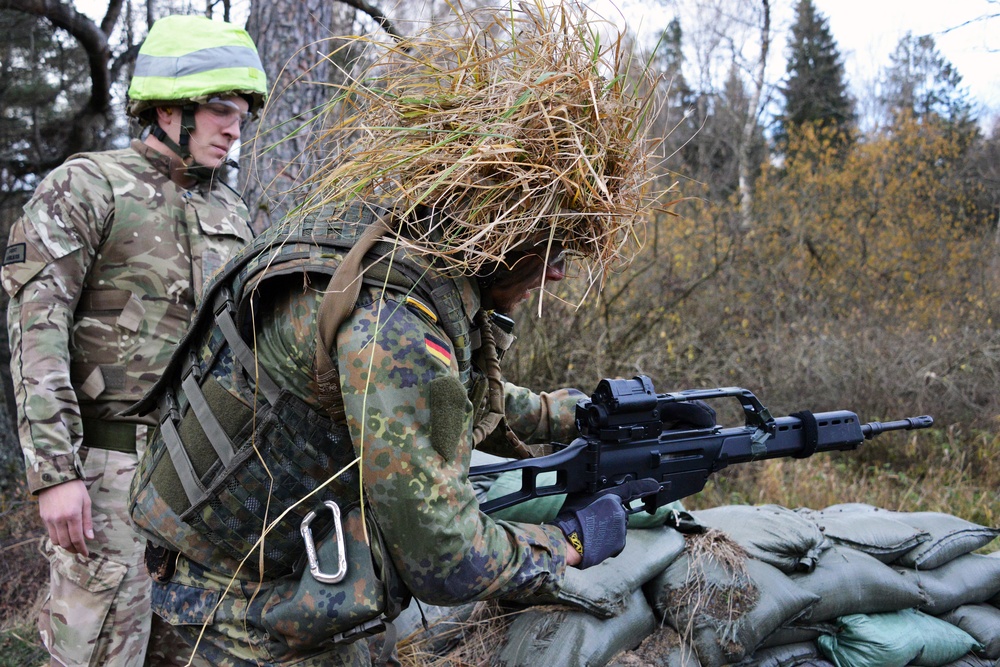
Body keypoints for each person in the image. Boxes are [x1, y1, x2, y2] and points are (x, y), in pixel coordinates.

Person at [126, 3, 678, 665]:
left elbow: (445, 398)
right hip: (224, 614)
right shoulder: (392, 322)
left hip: (271, 578)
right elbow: (447, 557)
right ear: (499, 233)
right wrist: (571, 543)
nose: (557, 274)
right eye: (553, 248)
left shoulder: (405, 257)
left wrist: (577, 417)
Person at [1, 14, 267, 667]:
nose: (234, 128)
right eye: (221, 109)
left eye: (243, 114)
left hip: (205, 481)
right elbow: (37, 329)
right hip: (105, 470)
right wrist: (55, 473)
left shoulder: (232, 215)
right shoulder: (84, 187)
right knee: (98, 646)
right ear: (168, 108)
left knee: (192, 647)